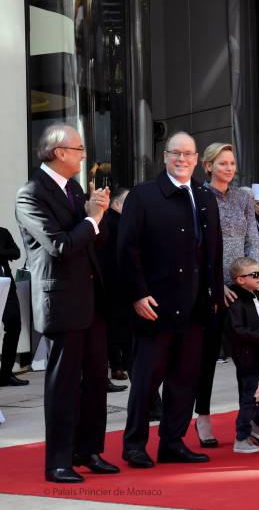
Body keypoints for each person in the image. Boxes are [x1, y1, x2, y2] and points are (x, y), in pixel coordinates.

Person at [16, 123, 119, 482]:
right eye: (78, 149)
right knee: (62, 384)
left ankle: (88, 450)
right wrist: (93, 217)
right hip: (61, 300)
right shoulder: (31, 194)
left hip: (91, 298)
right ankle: (58, 461)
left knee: (94, 379)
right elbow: (60, 245)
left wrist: (100, 214)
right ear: (59, 152)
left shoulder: (73, 188)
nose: (82, 156)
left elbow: (92, 240)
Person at [119, 131, 224, 468]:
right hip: (155, 306)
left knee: (184, 379)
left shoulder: (205, 197)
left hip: (195, 306)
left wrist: (215, 294)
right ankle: (134, 445)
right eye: (175, 153)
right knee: (147, 380)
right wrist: (137, 293)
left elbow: (214, 251)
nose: (182, 159)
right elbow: (127, 251)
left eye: (188, 154)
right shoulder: (143, 196)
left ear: (197, 160)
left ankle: (172, 443)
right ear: (164, 157)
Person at [193, 142, 259, 448]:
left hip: (242, 287)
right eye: (222, 163)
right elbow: (197, 247)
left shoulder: (244, 197)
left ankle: (251, 420)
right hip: (212, 289)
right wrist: (216, 284)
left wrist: (252, 278)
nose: (229, 168)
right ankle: (202, 417)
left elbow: (252, 239)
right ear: (208, 166)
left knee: (248, 357)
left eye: (231, 163)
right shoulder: (198, 197)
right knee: (207, 356)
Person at [224, 257, 259, 454]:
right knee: (249, 396)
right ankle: (241, 437)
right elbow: (236, 330)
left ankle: (257, 424)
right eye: (254, 275)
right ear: (240, 279)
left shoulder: (256, 294)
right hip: (246, 355)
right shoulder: (235, 300)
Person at [97, 187, 130, 392]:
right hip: (112, 288)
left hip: (117, 288)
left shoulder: (121, 223)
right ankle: (116, 366)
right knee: (114, 333)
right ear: (116, 204)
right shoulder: (111, 224)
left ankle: (118, 366)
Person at [0, 226, 27, 387]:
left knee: (14, 325)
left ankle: (5, 374)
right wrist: (4, 253)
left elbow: (16, 252)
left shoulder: (3, 232)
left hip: (7, 286)